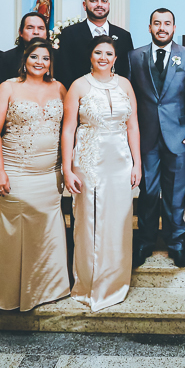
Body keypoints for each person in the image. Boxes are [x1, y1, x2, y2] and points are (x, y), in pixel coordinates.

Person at [0, 38, 70, 311]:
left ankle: (50, 288)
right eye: (35, 57)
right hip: (16, 171)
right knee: (17, 230)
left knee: (48, 231)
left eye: (45, 58)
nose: (40, 62)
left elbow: (67, 130)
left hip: (49, 174)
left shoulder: (59, 88)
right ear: (25, 59)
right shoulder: (8, 87)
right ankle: (13, 292)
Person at [63, 35, 142, 311]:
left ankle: (115, 283)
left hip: (120, 161)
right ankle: (88, 284)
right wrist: (66, 168)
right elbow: (68, 128)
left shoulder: (125, 85)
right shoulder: (78, 86)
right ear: (91, 56)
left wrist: (137, 163)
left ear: (116, 58)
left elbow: (133, 125)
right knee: (89, 221)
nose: (104, 58)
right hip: (88, 160)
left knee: (119, 221)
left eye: (109, 53)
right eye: (98, 52)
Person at [127, 8, 185, 268]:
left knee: (176, 194)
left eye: (167, 23)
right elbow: (128, 98)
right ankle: (145, 242)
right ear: (149, 27)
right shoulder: (134, 56)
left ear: (174, 27)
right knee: (148, 192)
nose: (162, 27)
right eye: (157, 23)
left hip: (179, 136)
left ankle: (176, 244)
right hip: (146, 135)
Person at [56, 0, 134, 88]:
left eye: (104, 1)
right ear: (84, 5)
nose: (99, 5)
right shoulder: (69, 34)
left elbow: (127, 72)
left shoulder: (124, 36)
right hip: (81, 96)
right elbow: (64, 71)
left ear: (108, 5)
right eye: (94, 0)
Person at [0, 11, 49, 84]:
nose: (36, 32)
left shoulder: (57, 56)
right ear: (21, 32)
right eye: (30, 28)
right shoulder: (7, 57)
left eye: (41, 28)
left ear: (46, 33)